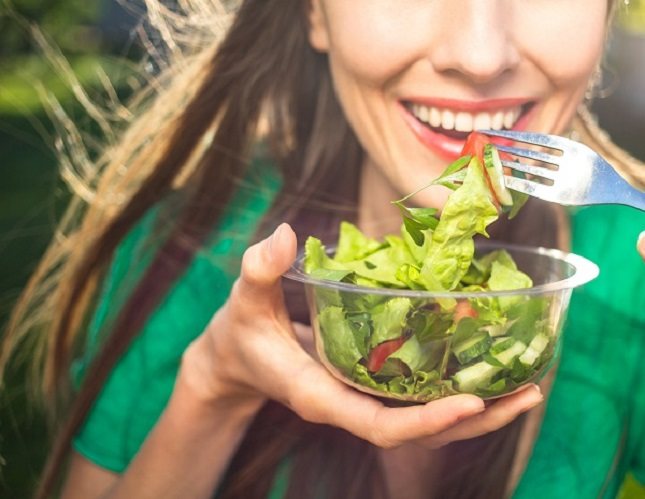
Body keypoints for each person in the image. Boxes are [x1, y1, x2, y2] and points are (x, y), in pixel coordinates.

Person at [2, 1, 645, 498]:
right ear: (314, 10)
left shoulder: (631, 278)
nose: (479, 56)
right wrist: (213, 385)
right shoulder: (195, 249)